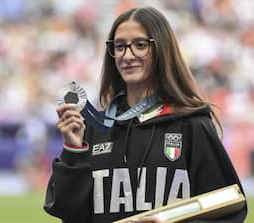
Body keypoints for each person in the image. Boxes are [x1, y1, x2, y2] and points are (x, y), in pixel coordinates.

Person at [44, 7, 248, 223]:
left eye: (140, 45)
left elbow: (229, 210)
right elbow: (68, 213)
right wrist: (74, 150)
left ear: (162, 50)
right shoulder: (95, 128)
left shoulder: (192, 124)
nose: (127, 55)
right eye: (119, 46)